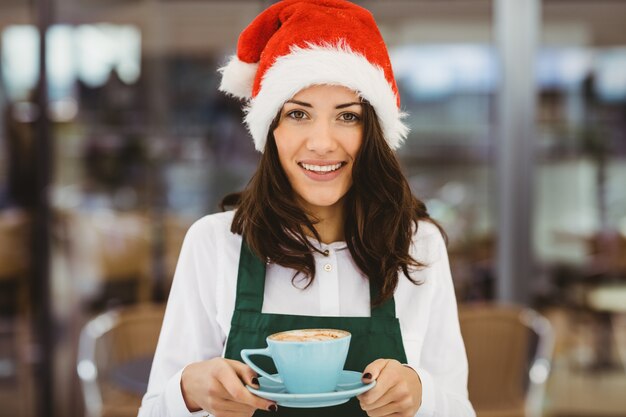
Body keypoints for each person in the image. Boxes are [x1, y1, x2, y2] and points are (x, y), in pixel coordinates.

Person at [139, 1, 475, 416]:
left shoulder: (419, 245)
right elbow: (154, 409)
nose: (321, 143)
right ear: (271, 130)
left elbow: (460, 409)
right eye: (298, 113)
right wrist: (188, 391)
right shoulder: (215, 242)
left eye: (347, 117)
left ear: (375, 132)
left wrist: (423, 395)